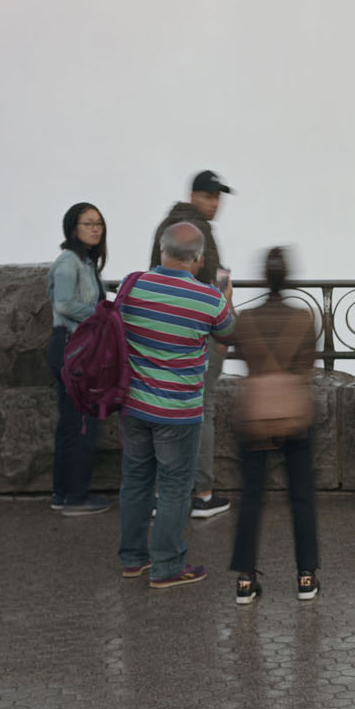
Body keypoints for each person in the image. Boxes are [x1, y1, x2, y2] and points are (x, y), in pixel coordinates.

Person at [116, 221, 236, 588]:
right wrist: (225, 294)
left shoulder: (132, 285)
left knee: (136, 480)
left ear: (161, 251)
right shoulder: (208, 299)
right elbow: (229, 334)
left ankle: (133, 559)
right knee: (173, 486)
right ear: (198, 259)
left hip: (134, 404)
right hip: (179, 410)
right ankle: (167, 566)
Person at [230, 248, 321, 603]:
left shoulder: (246, 318)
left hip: (254, 415)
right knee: (301, 497)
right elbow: (309, 362)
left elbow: (240, 356)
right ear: (289, 279)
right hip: (294, 414)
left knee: (251, 498)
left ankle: (244, 580)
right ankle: (305, 577)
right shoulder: (303, 318)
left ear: (264, 279)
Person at [150, 170, 233, 520]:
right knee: (202, 408)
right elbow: (211, 281)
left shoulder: (168, 225)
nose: (215, 204)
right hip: (197, 335)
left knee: (163, 406)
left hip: (164, 332)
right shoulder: (198, 228)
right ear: (194, 195)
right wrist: (224, 312)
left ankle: (161, 493)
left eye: (218, 198)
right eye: (210, 196)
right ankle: (201, 493)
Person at [45, 202, 111, 516]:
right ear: (73, 228)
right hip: (73, 347)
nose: (95, 228)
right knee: (84, 423)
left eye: (98, 223)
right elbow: (64, 304)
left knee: (71, 424)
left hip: (73, 347)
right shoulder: (69, 262)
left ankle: (62, 493)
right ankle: (75, 496)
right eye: (88, 223)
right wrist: (102, 315)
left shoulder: (87, 264)